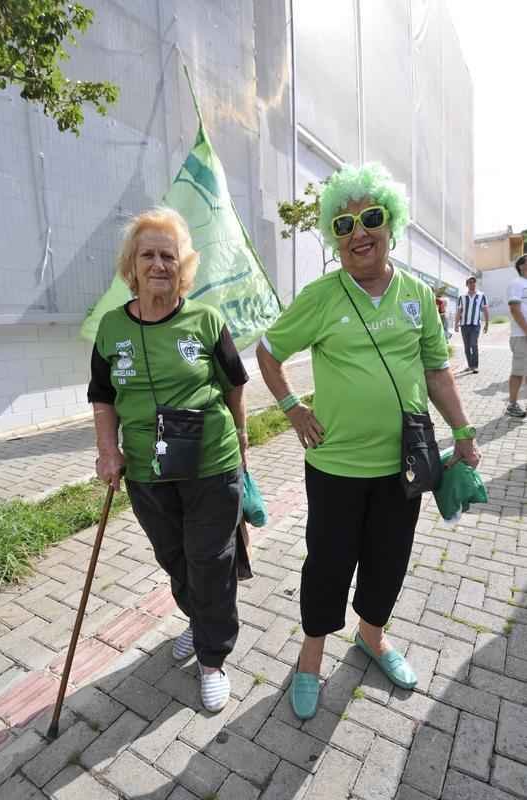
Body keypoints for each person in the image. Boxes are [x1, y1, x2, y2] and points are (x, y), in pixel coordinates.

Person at [256, 162, 480, 720]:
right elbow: (268, 351)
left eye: (371, 218)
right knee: (328, 563)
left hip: (402, 466)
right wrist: (291, 407)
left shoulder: (417, 295)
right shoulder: (321, 295)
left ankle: (372, 636)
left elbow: (436, 370)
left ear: (391, 225)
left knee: (389, 559)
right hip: (334, 465)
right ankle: (311, 655)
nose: (359, 232)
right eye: (344, 223)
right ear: (335, 237)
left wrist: (464, 429)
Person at [87, 207, 249, 712]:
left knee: (209, 559)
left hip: (209, 464)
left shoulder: (206, 319)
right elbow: (103, 397)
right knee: (173, 556)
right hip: (146, 469)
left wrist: (242, 441)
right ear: (131, 266)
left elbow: (235, 384)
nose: (159, 264)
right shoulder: (112, 327)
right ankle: (200, 621)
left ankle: (212, 657)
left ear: (183, 266)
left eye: (168, 255)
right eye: (148, 254)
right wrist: (107, 452)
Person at [505, 254, 527, 418]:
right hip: (521, 336)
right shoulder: (516, 284)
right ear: (521, 266)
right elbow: (515, 309)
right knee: (518, 372)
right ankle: (512, 405)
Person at [454, 276, 489, 373]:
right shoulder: (462, 297)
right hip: (464, 325)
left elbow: (485, 310)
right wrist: (456, 324)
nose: (472, 284)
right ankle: (470, 365)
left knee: (473, 344)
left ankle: (475, 366)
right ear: (467, 285)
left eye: (473, 282)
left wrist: (487, 323)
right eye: (470, 282)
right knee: (466, 346)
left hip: (475, 325)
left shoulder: (481, 295)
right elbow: (459, 311)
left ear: (475, 283)